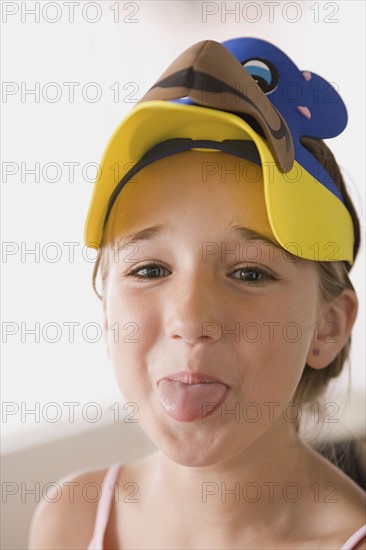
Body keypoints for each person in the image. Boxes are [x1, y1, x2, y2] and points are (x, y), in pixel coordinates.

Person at [29, 38, 365, 549]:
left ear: (329, 326)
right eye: (149, 269)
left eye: (250, 273)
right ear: (106, 312)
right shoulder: (70, 522)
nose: (189, 317)